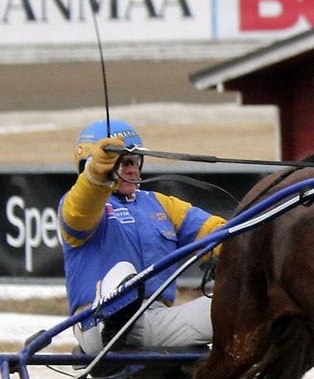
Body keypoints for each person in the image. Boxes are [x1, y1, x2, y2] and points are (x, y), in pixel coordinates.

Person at [59, 119, 226, 354]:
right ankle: (115, 325)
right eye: (123, 162)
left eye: (136, 161)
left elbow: (217, 233)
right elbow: (81, 209)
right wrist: (95, 178)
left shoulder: (160, 204)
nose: (133, 169)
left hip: (155, 322)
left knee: (242, 303)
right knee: (124, 273)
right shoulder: (79, 205)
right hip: (95, 323)